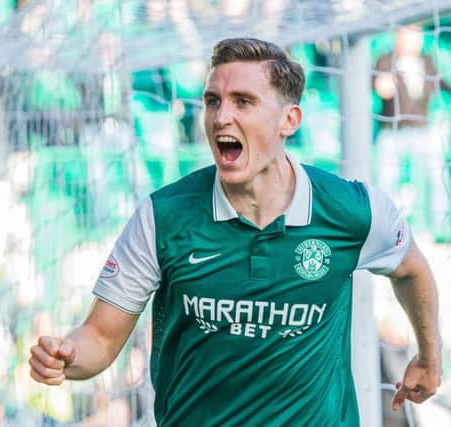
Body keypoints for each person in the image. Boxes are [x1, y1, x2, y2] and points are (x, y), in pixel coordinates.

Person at [29, 37, 442, 426]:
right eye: (213, 101)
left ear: (289, 120)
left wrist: (428, 354)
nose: (221, 117)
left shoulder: (352, 210)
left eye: (242, 102)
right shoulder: (163, 216)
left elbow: (411, 269)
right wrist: (66, 358)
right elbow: (100, 337)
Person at [373, 25, 451, 238]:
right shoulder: (385, 60)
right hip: (393, 132)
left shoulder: (427, 60)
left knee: (434, 177)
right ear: (398, 37)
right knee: (388, 180)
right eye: (408, 36)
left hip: (422, 130)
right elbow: (379, 87)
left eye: (416, 37)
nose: (413, 41)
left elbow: (442, 84)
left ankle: (439, 229)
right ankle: (387, 230)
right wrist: (382, 85)